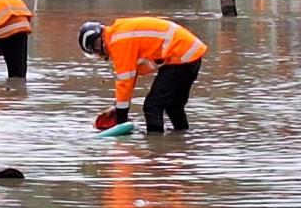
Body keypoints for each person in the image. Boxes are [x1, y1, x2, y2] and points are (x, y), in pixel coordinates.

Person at [78, 17, 208, 134]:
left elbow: (125, 82)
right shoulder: (119, 33)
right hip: (189, 53)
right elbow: (137, 71)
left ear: (96, 43)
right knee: (173, 106)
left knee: (152, 106)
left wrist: (121, 118)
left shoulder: (117, 43)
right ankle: (181, 139)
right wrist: (118, 108)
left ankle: (155, 146)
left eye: (96, 52)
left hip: (181, 56)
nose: (100, 56)